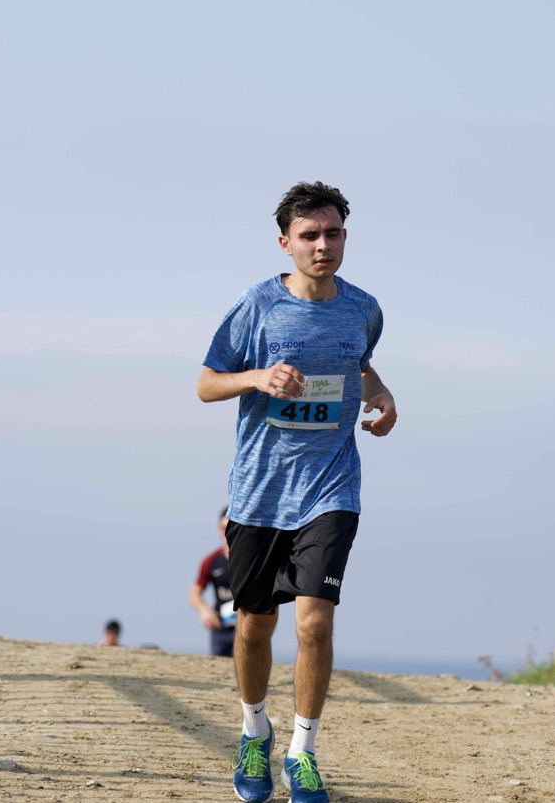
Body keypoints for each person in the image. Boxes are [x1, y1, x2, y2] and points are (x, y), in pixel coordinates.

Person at [196, 181, 397, 803]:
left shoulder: (364, 309)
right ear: (285, 243)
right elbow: (206, 383)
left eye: (332, 233)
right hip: (259, 492)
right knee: (256, 626)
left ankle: (302, 752)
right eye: (309, 236)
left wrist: (380, 394)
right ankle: (254, 733)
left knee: (314, 622)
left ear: (345, 237)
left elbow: (359, 361)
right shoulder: (257, 306)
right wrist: (257, 377)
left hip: (331, 486)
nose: (322, 246)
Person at [188, 507, 236, 657]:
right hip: (221, 628)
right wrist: (204, 611)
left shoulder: (254, 560)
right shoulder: (211, 561)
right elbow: (194, 594)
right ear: (218, 529)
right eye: (224, 528)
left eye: (232, 528)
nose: (227, 533)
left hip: (248, 627)